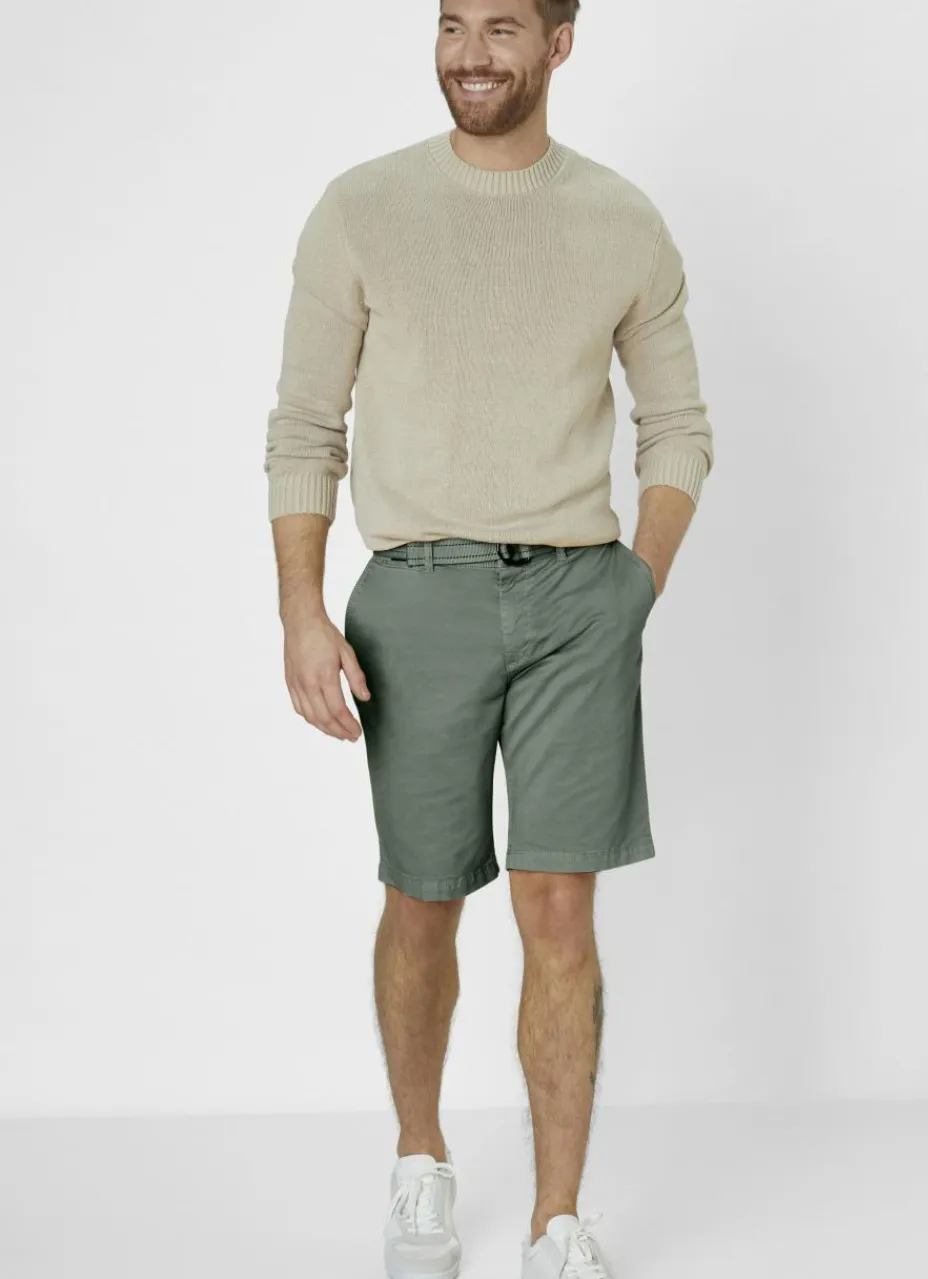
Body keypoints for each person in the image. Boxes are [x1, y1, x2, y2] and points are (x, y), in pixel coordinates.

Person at [264, 2, 714, 1274]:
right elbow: (305, 425)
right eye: (451, 24)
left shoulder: (619, 220)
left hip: (579, 599)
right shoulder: (362, 209)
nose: (469, 53)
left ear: (557, 44)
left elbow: (677, 427)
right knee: (421, 896)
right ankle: (420, 1162)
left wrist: (634, 587)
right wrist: (300, 607)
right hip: (415, 594)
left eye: (501, 27)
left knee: (557, 906)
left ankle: (555, 1221)